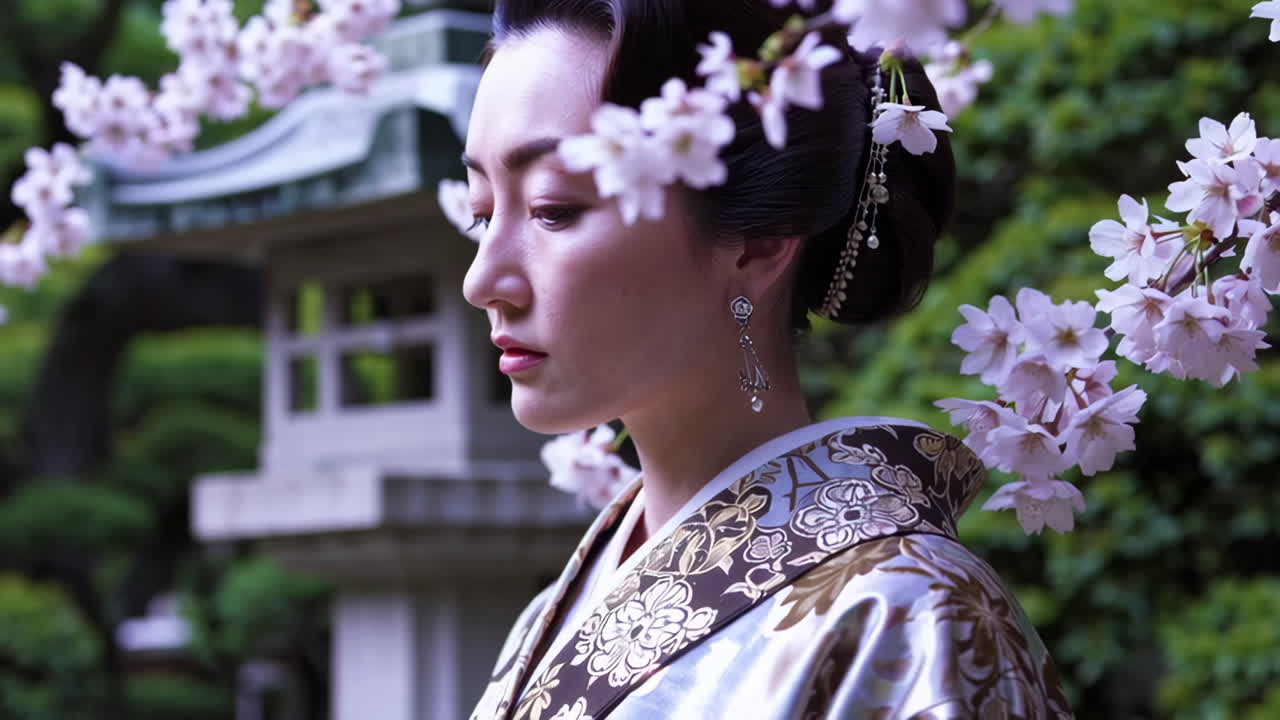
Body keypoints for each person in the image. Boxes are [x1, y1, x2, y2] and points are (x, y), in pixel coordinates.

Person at [460, 1, 1073, 718]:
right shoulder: (553, 615)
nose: (481, 281)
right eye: (480, 212)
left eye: (552, 208)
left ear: (758, 243)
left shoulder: (909, 610)